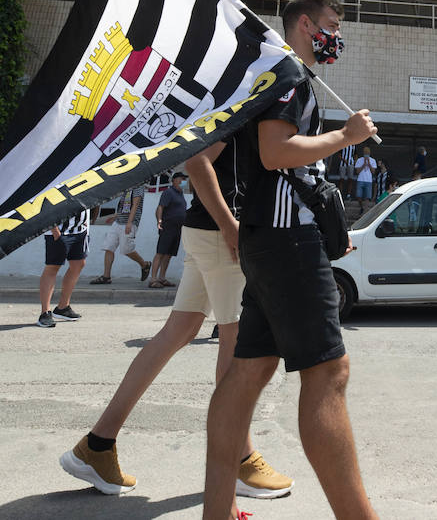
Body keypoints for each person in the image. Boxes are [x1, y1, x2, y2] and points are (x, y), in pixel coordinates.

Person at [202, 0, 378, 519]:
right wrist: (344, 136)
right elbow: (275, 152)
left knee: (249, 370)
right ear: (305, 24)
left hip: (267, 238)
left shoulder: (269, 73)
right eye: (329, 25)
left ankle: (216, 511)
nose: (335, 36)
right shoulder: (288, 74)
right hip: (287, 237)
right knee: (328, 373)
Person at [62, 143, 294, 502]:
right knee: (238, 344)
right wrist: (230, 225)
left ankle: (97, 445)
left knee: (178, 331)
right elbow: (198, 161)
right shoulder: (241, 94)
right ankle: (239, 458)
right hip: (222, 233)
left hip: (208, 230)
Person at [37, 204, 90, 327]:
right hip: (59, 231)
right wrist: (55, 232)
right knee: (52, 267)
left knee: (78, 264)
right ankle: (45, 313)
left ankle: (63, 307)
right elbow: (46, 203)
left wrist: (86, 223)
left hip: (80, 231)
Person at [92, 185, 151, 284]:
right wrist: (115, 216)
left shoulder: (138, 187)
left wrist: (129, 222)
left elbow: (135, 205)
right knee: (109, 247)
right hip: (118, 222)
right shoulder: (127, 187)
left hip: (129, 223)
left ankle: (145, 264)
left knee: (126, 250)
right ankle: (106, 277)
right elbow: (124, 206)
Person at [150, 172, 188, 288]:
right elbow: (160, 207)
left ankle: (162, 278)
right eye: (182, 179)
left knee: (169, 254)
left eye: (185, 180)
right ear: (175, 180)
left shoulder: (180, 194)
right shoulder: (169, 192)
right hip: (168, 226)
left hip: (177, 228)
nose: (184, 182)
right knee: (161, 252)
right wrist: (159, 221)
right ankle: (153, 279)